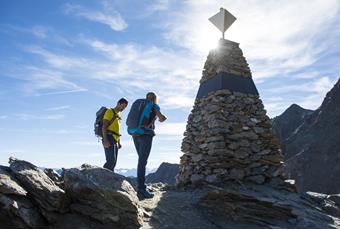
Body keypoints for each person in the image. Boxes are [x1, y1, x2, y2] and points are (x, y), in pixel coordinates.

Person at [129, 92, 167, 199]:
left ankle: (141, 186)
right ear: (155, 99)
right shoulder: (154, 105)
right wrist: (162, 117)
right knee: (142, 162)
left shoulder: (139, 104)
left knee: (141, 160)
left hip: (135, 134)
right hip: (145, 135)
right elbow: (161, 118)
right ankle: (141, 189)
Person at [102, 98, 128, 172]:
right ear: (118, 103)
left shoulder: (118, 115)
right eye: (123, 106)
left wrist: (119, 143)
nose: (123, 108)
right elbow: (104, 126)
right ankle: (104, 178)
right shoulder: (110, 111)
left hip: (115, 140)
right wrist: (105, 140)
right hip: (109, 138)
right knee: (110, 161)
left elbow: (116, 130)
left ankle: (109, 179)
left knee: (113, 162)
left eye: (125, 107)